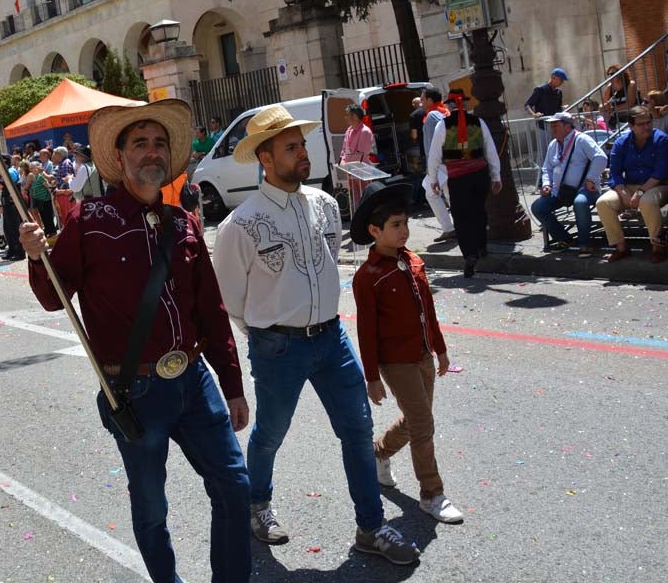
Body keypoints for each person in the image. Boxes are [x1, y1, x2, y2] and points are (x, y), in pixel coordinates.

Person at [19, 99, 251, 582]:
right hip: (135, 392)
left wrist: (231, 383)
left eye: (159, 143)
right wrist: (37, 256)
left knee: (233, 485)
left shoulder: (184, 223)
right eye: (140, 143)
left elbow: (211, 310)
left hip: (194, 379)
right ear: (120, 158)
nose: (151, 151)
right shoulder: (89, 220)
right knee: (152, 508)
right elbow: (51, 298)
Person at [212, 104, 419, 565]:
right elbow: (231, 300)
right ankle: (257, 506)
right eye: (291, 147)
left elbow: (327, 266)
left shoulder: (326, 205)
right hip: (278, 344)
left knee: (358, 429)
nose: (303, 153)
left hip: (331, 338)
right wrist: (269, 329)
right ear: (265, 159)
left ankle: (371, 526)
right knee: (270, 433)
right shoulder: (240, 225)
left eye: (302, 144)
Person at [350, 182, 464, 525]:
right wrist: (372, 377)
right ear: (374, 231)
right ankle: (432, 493)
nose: (404, 231)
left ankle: (379, 451)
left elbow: (428, 311)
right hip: (395, 361)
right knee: (423, 423)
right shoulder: (367, 277)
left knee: (418, 418)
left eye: (405, 223)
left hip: (423, 355)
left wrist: (440, 350)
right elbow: (366, 332)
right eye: (395, 226)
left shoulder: (414, 261)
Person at [426, 90, 502, 278]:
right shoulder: (479, 123)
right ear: (465, 104)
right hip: (480, 174)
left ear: (450, 106)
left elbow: (434, 155)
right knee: (478, 210)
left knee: (461, 216)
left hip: (458, 177)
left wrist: (433, 178)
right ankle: (481, 246)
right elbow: (490, 150)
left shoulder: (442, 126)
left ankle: (469, 254)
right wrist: (496, 175)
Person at [596, 105, 668, 263]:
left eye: (648, 122)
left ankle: (658, 246)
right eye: (641, 124)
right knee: (603, 203)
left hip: (657, 185)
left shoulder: (661, 139)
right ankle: (621, 247)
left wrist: (639, 193)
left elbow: (660, 172)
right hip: (630, 185)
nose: (647, 127)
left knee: (646, 201)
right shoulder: (621, 142)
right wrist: (623, 193)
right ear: (631, 126)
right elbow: (615, 172)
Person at [530, 113, 608, 257]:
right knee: (538, 207)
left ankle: (584, 244)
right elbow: (547, 168)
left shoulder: (582, 139)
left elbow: (600, 158)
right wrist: (547, 184)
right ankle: (563, 238)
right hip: (560, 191)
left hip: (584, 189)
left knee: (579, 203)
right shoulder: (553, 144)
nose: (552, 128)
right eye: (551, 125)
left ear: (567, 126)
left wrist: (591, 178)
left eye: (556, 125)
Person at [418, 88, 456, 241]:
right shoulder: (443, 111)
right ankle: (456, 226)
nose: (421, 101)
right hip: (447, 160)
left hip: (439, 162)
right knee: (448, 194)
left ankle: (448, 228)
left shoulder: (432, 115)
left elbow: (432, 143)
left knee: (431, 193)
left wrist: (430, 164)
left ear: (430, 100)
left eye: (422, 98)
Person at [525, 68, 568, 188]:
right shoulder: (540, 90)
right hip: (543, 126)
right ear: (553, 78)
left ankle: (555, 178)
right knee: (543, 153)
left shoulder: (559, 92)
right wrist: (534, 114)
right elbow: (527, 104)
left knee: (556, 152)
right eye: (560, 80)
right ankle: (541, 180)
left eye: (563, 81)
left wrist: (563, 109)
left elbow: (558, 108)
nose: (562, 83)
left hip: (556, 126)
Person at [339, 103, 376, 209]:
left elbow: (361, 154)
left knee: (365, 200)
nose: (346, 118)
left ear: (354, 116)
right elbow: (344, 150)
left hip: (361, 172)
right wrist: (341, 160)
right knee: (356, 201)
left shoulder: (365, 132)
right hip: (351, 172)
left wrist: (346, 163)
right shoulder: (349, 130)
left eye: (347, 115)